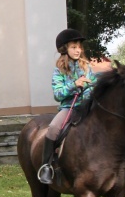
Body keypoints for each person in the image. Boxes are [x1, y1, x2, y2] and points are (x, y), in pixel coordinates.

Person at [38, 28, 98, 184]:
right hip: (69, 109)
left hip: (89, 108)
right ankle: (46, 166)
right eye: (74, 47)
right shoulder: (59, 71)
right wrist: (74, 85)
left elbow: (95, 85)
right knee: (52, 128)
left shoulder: (87, 67)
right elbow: (57, 94)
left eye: (79, 47)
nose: (78, 50)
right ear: (65, 49)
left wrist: (93, 88)